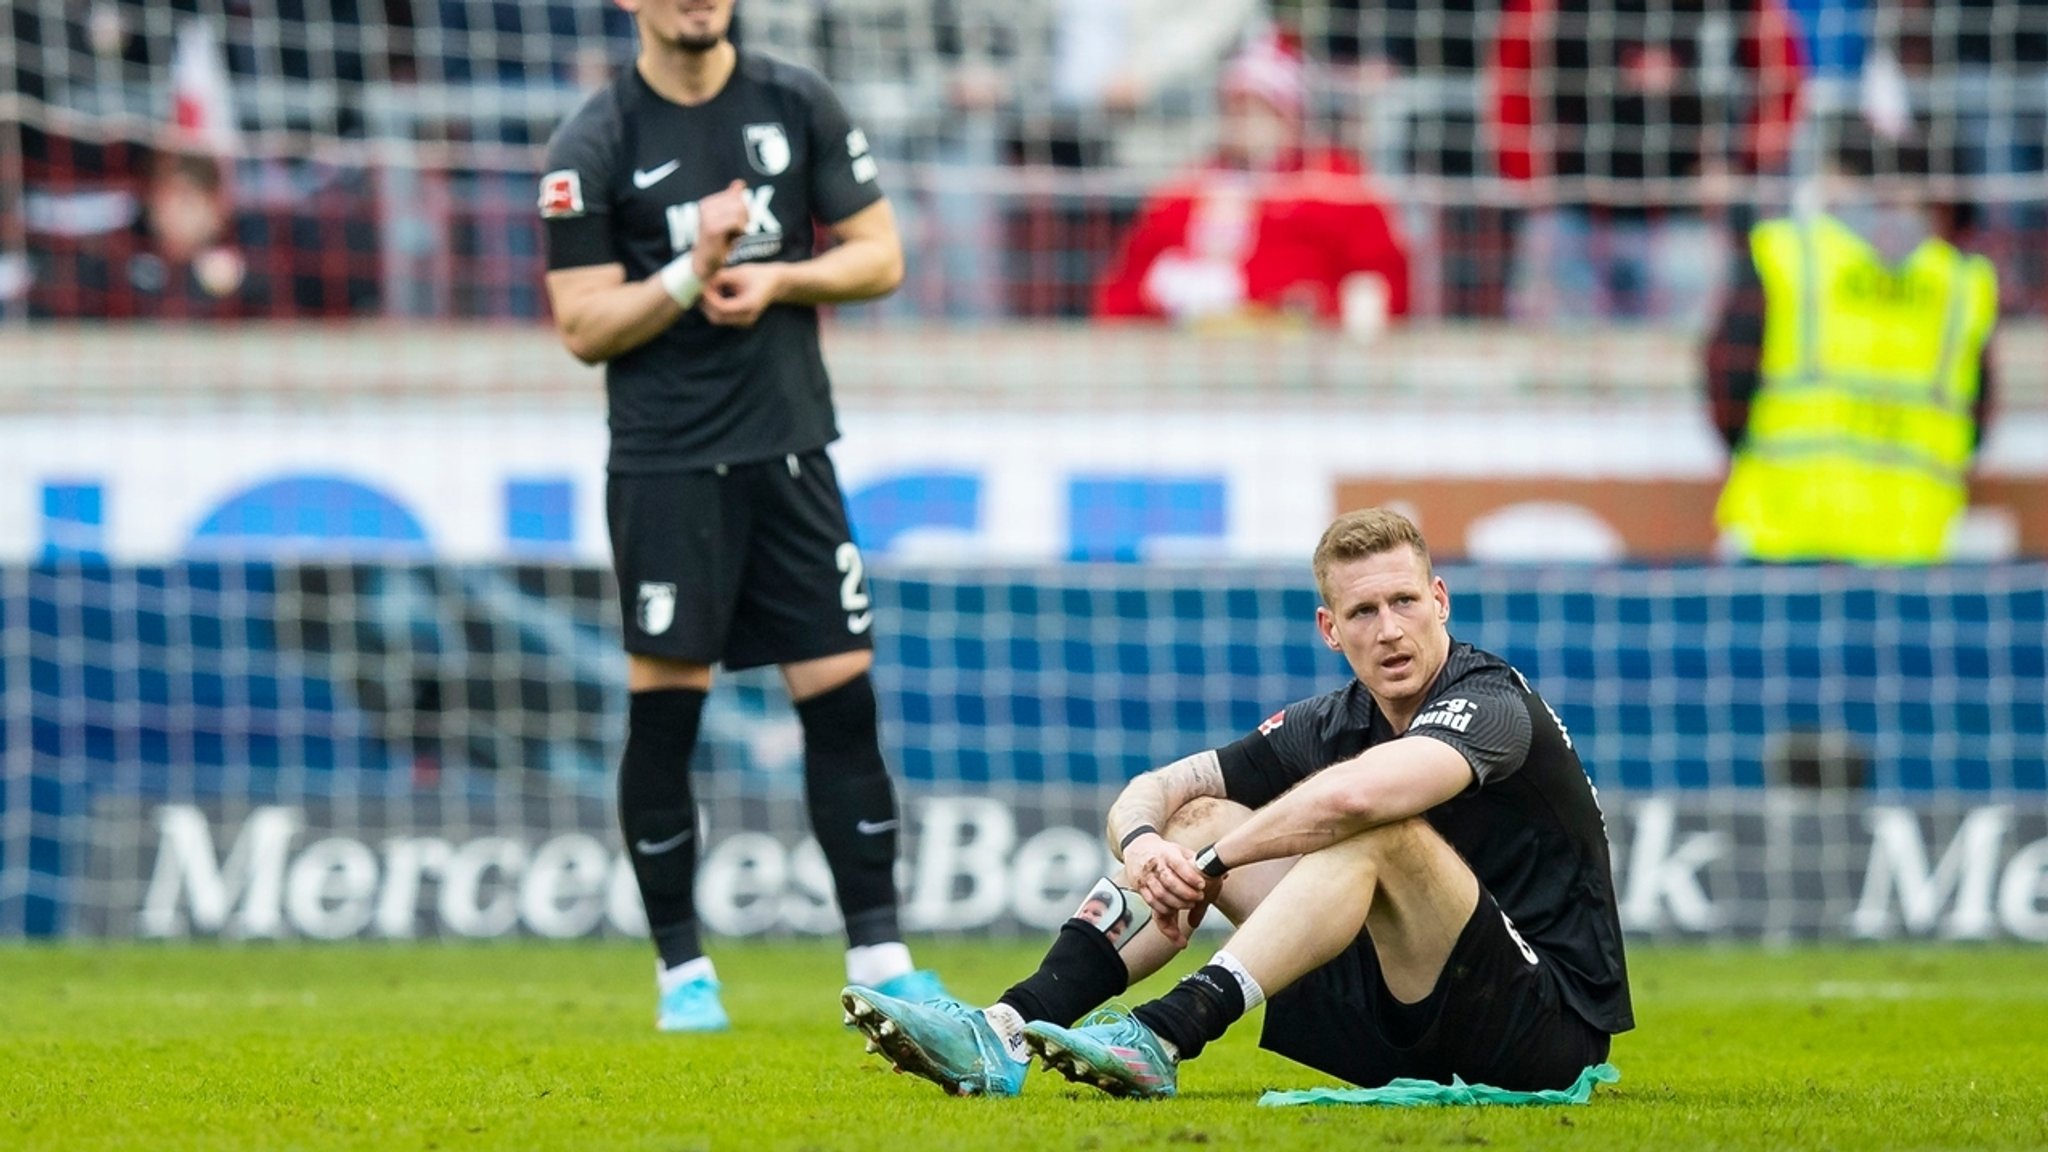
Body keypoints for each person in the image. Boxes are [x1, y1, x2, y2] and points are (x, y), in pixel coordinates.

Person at [841, 507, 1632, 1098]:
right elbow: (1158, 788)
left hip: (1542, 1029)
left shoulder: (1491, 700)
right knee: (1194, 822)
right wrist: (1149, 846)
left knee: (1378, 831)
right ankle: (1003, 1031)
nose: (1389, 630)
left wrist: (1216, 865)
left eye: (1404, 602)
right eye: (1363, 612)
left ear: (1441, 601)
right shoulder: (1330, 719)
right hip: (1406, 1022)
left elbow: (1362, 796)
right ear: (1330, 628)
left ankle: (1169, 1029)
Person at [539, 0, 947, 1032]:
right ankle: (683, 972)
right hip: (667, 468)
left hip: (791, 451)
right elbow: (583, 325)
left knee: (841, 700)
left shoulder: (794, 100)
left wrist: (775, 279)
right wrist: (688, 270)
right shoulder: (594, 139)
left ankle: (882, 953)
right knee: (666, 716)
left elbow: (879, 255)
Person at [1709, 116, 2000, 564]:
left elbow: (1727, 381)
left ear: (1839, 178)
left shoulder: (1786, 256)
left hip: (1783, 537)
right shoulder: (1960, 284)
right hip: (1912, 544)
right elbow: (1977, 414)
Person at [1487, 0, 1806, 329]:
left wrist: (1740, 164)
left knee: (1682, 362)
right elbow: (1512, 76)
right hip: (1575, 215)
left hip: (1683, 216)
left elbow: (1780, 72)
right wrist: (1528, 175)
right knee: (1564, 362)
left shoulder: (1734, 11)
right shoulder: (1548, 9)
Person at [1093, 30, 1411, 329]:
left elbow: (1379, 283)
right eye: (1235, 108)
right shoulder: (1187, 191)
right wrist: (1166, 290)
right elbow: (1125, 290)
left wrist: (1316, 309)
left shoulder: (1336, 184)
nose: (1243, 122)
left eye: (1259, 108)